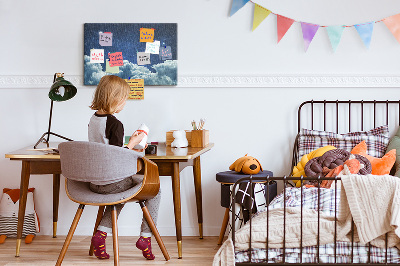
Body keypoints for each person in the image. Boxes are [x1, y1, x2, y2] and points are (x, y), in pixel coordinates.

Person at [88, 75, 161, 260]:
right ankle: (146, 237)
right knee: (154, 189)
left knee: (119, 194)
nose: (124, 103)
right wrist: (134, 143)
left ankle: (101, 235)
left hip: (94, 182)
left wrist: (130, 145)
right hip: (111, 182)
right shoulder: (115, 124)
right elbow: (117, 156)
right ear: (115, 99)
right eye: (124, 99)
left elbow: (106, 149)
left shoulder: (93, 120)